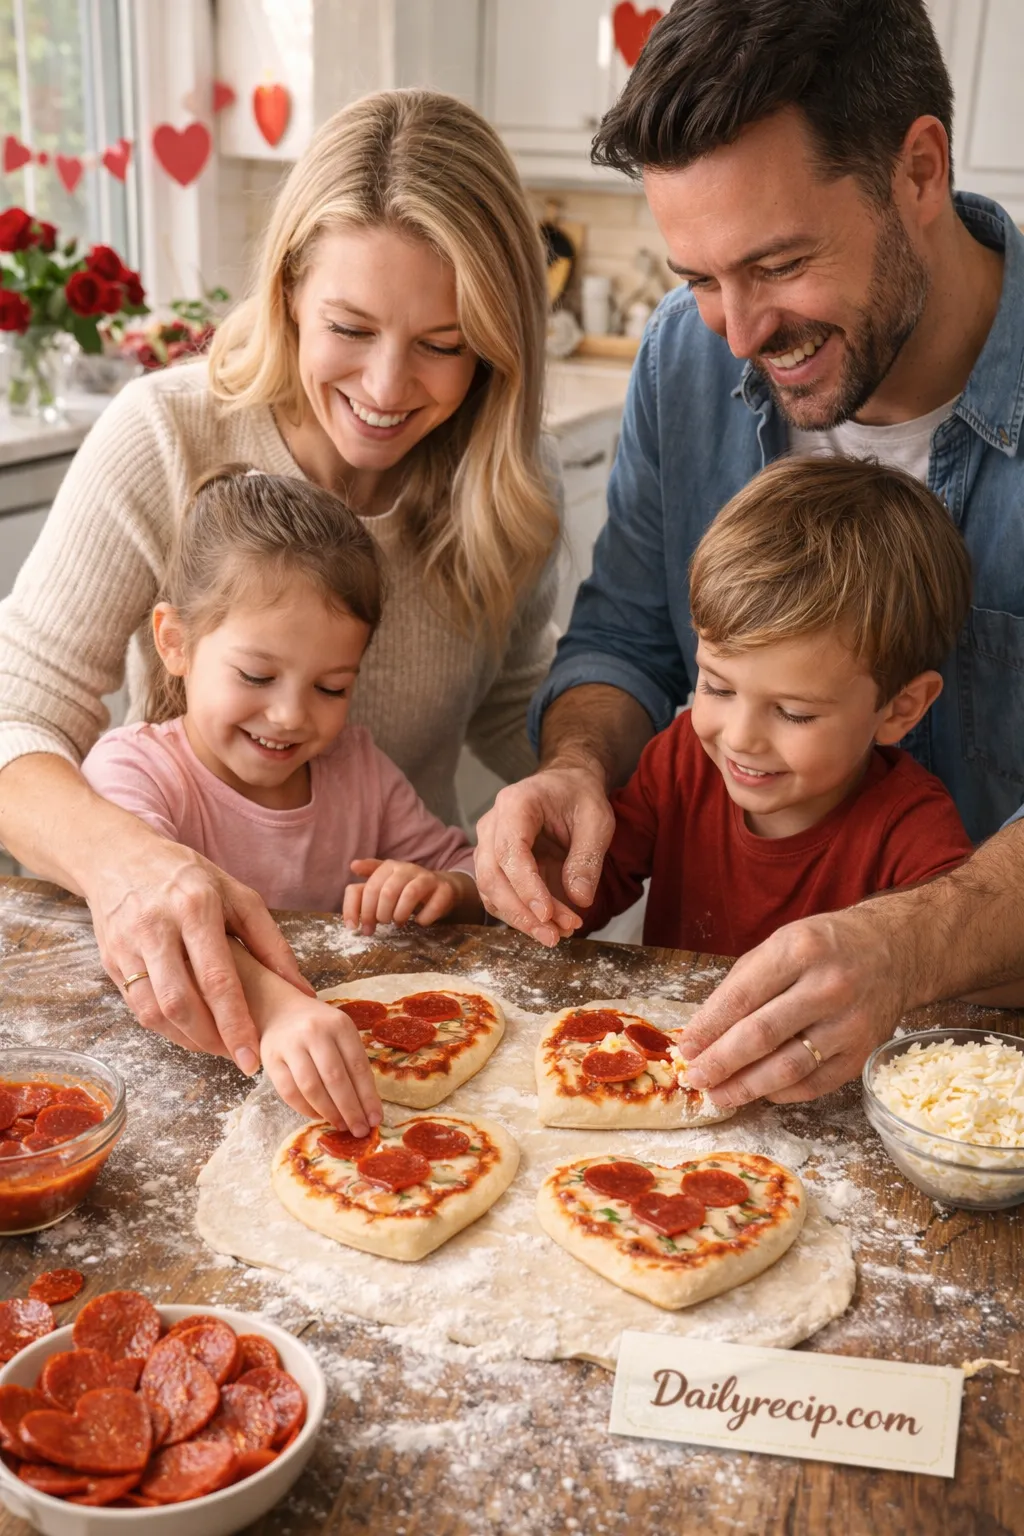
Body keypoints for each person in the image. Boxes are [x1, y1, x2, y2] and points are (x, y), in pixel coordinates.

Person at [475, 0, 1024, 1096]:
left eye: (776, 265)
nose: (733, 330)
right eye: (696, 276)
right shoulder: (686, 355)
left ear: (919, 170)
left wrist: (907, 945)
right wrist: (577, 769)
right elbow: (627, 638)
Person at [0, 90, 558, 1075]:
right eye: (350, 326)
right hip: (177, 987)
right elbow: (15, 714)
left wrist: (578, 793)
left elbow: (515, 711)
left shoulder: (507, 484)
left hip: (395, 988)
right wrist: (129, 865)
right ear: (291, 288)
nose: (387, 389)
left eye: (441, 345)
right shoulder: (165, 432)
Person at [81, 467, 484, 1135]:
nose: (291, 715)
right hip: (167, 1100)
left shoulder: (359, 773)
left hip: (326, 1100)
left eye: (330, 687)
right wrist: (277, 1010)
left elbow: (471, 879)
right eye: (258, 675)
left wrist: (438, 888)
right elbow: (153, 934)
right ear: (175, 641)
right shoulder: (134, 773)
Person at [570, 456, 973, 953]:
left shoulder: (912, 832)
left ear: (900, 709)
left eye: (793, 712)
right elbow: (584, 886)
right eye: (717, 687)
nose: (739, 737)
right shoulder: (681, 764)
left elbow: (959, 968)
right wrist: (481, 888)